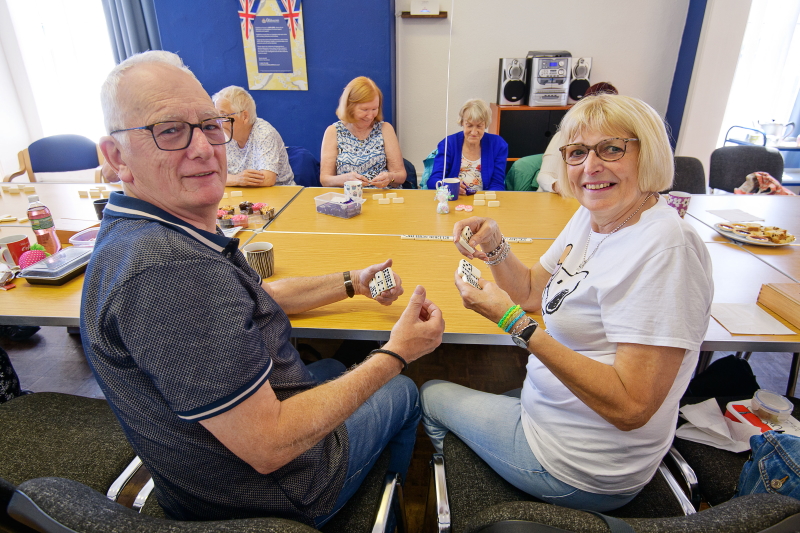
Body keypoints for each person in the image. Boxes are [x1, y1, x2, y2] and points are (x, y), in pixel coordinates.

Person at [83, 51, 444, 526]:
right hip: (280, 492)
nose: (203, 148)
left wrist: (350, 283)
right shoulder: (169, 273)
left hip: (221, 462)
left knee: (333, 364)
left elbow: (258, 296)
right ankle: (381, 504)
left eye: (211, 125)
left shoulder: (149, 232)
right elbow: (270, 444)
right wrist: (396, 352)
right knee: (401, 390)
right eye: (169, 130)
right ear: (116, 156)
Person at [421, 94, 713, 512]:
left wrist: (513, 322)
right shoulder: (595, 215)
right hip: (556, 417)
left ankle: (478, 505)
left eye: (611, 149)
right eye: (576, 153)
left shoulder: (667, 251)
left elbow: (631, 407)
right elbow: (529, 292)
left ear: (646, 153)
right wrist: (495, 244)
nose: (590, 167)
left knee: (429, 393)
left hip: (583, 467)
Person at [320, 76, 406, 188]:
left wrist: (390, 178)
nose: (370, 116)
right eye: (364, 110)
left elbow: (401, 175)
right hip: (348, 198)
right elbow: (325, 180)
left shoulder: (385, 129)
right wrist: (345, 179)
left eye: (374, 109)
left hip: (381, 197)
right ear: (349, 107)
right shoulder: (334, 131)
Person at [538, 82, 619, 193]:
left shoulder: (619, 139)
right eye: (578, 152)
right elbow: (543, 177)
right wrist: (566, 189)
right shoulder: (563, 136)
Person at [211, 85, 295, 187]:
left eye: (224, 116)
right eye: (216, 116)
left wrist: (227, 179)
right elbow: (210, 175)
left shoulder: (264, 132)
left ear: (245, 116)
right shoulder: (222, 133)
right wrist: (236, 179)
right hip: (243, 194)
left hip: (280, 194)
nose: (219, 122)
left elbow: (267, 179)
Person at [426, 98, 508, 193]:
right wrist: (449, 185)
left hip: (483, 200)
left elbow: (497, 184)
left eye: (479, 126)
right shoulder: (448, 144)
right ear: (462, 122)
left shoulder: (498, 144)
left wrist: (486, 201)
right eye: (469, 125)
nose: (474, 132)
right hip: (454, 199)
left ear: (486, 124)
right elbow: (433, 181)